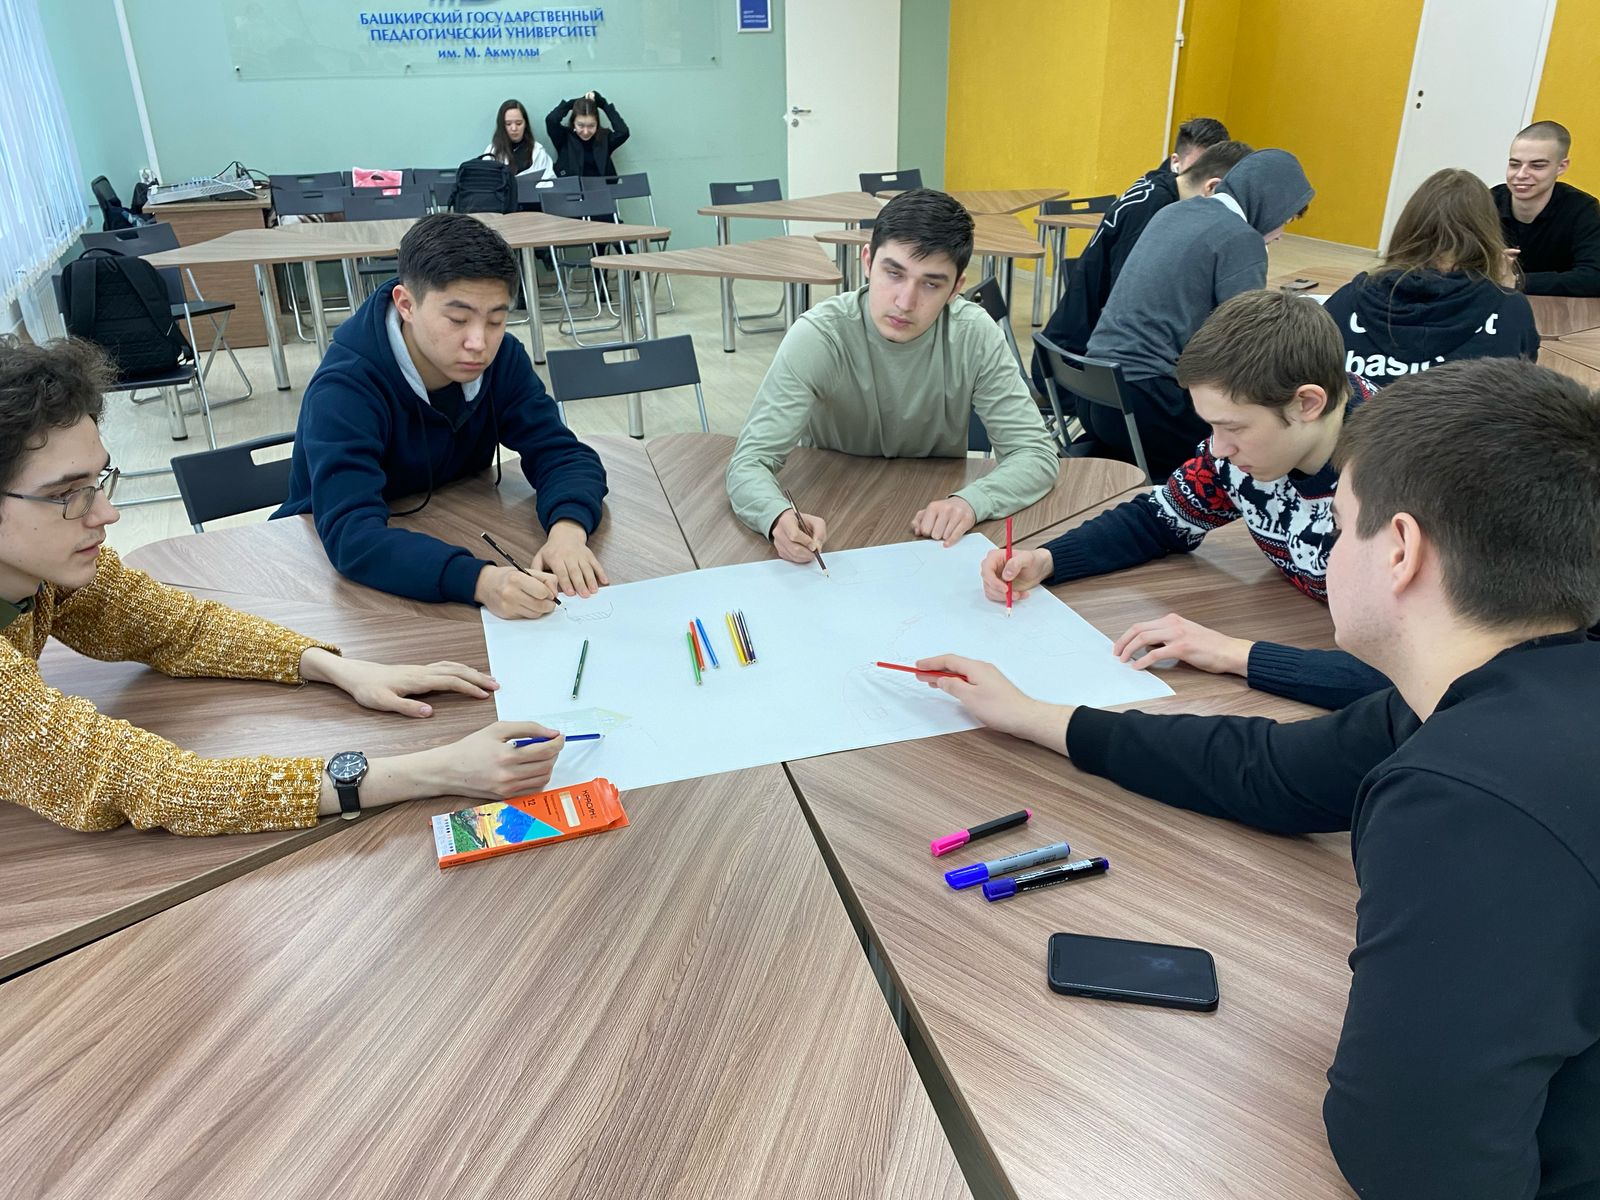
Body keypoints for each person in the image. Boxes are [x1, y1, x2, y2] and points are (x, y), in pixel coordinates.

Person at [923, 357, 1600, 1200]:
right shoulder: (1497, 693)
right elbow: (1271, 771)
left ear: (1399, 550)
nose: (1328, 549)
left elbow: (1416, 1161)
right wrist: (1034, 715)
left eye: (1340, 523)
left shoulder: (1471, 800)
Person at [0, 337, 570, 836]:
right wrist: (435, 770)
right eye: (65, 495)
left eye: (98, 481)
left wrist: (340, 668)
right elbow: (162, 785)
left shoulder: (45, 572)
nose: (105, 513)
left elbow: (178, 629)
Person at [993, 288, 1388, 710]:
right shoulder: (1247, 453)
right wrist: (1049, 559)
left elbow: (1416, 676)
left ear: (1307, 403)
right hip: (1304, 633)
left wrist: (1232, 653)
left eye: (1233, 427)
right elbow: (1160, 518)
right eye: (1212, 426)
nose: (1218, 449)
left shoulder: (1400, 485)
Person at [276, 213, 609, 615]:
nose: (478, 343)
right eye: (458, 320)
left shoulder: (502, 359)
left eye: (496, 320)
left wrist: (568, 532)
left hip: (443, 523)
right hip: (317, 572)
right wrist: (481, 581)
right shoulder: (345, 389)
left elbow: (563, 453)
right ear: (406, 304)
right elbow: (351, 534)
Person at [726, 188, 1060, 562]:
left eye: (931, 284)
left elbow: (1035, 455)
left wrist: (972, 501)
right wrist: (776, 516)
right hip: (831, 519)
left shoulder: (975, 335)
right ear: (868, 261)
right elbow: (749, 462)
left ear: (956, 288)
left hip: (932, 532)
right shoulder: (819, 336)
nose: (905, 302)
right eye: (893, 273)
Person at [1084, 149, 1314, 478]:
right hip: (1150, 404)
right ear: (1271, 204)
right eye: (1285, 219)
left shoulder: (1173, 211)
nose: (1281, 233)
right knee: (1273, 431)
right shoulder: (1241, 238)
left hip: (1095, 392)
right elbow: (1253, 343)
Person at [1031, 138, 1252, 393]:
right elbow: (1130, 303)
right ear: (1212, 188)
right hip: (1081, 371)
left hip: (1069, 356)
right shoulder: (1157, 209)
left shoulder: (1156, 184)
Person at [1325, 168, 1539, 383]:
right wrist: (1504, 294)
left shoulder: (1347, 300)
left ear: (1407, 227)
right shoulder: (1511, 308)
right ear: (1487, 233)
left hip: (1368, 407)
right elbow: (1524, 380)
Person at [1491, 120, 1600, 296]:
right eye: (1514, 164)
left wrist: (1516, 281)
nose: (1521, 174)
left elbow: (1593, 277)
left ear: (1561, 167)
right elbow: (1452, 266)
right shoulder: (1486, 203)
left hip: (1560, 310)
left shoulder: (1582, 209)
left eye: (1537, 166)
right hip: (1492, 306)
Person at [545, 91, 629, 179]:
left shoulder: (605, 138)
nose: (586, 132)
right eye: (580, 125)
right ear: (573, 123)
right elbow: (551, 120)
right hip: (571, 186)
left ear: (597, 124)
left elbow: (623, 132)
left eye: (591, 126)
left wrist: (603, 104)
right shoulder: (563, 137)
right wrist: (577, 102)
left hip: (602, 186)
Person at [484, 98, 553, 178]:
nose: (514, 128)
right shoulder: (492, 151)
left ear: (525, 124)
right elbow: (485, 180)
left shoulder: (538, 151)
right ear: (502, 126)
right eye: (508, 124)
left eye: (518, 123)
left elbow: (549, 180)